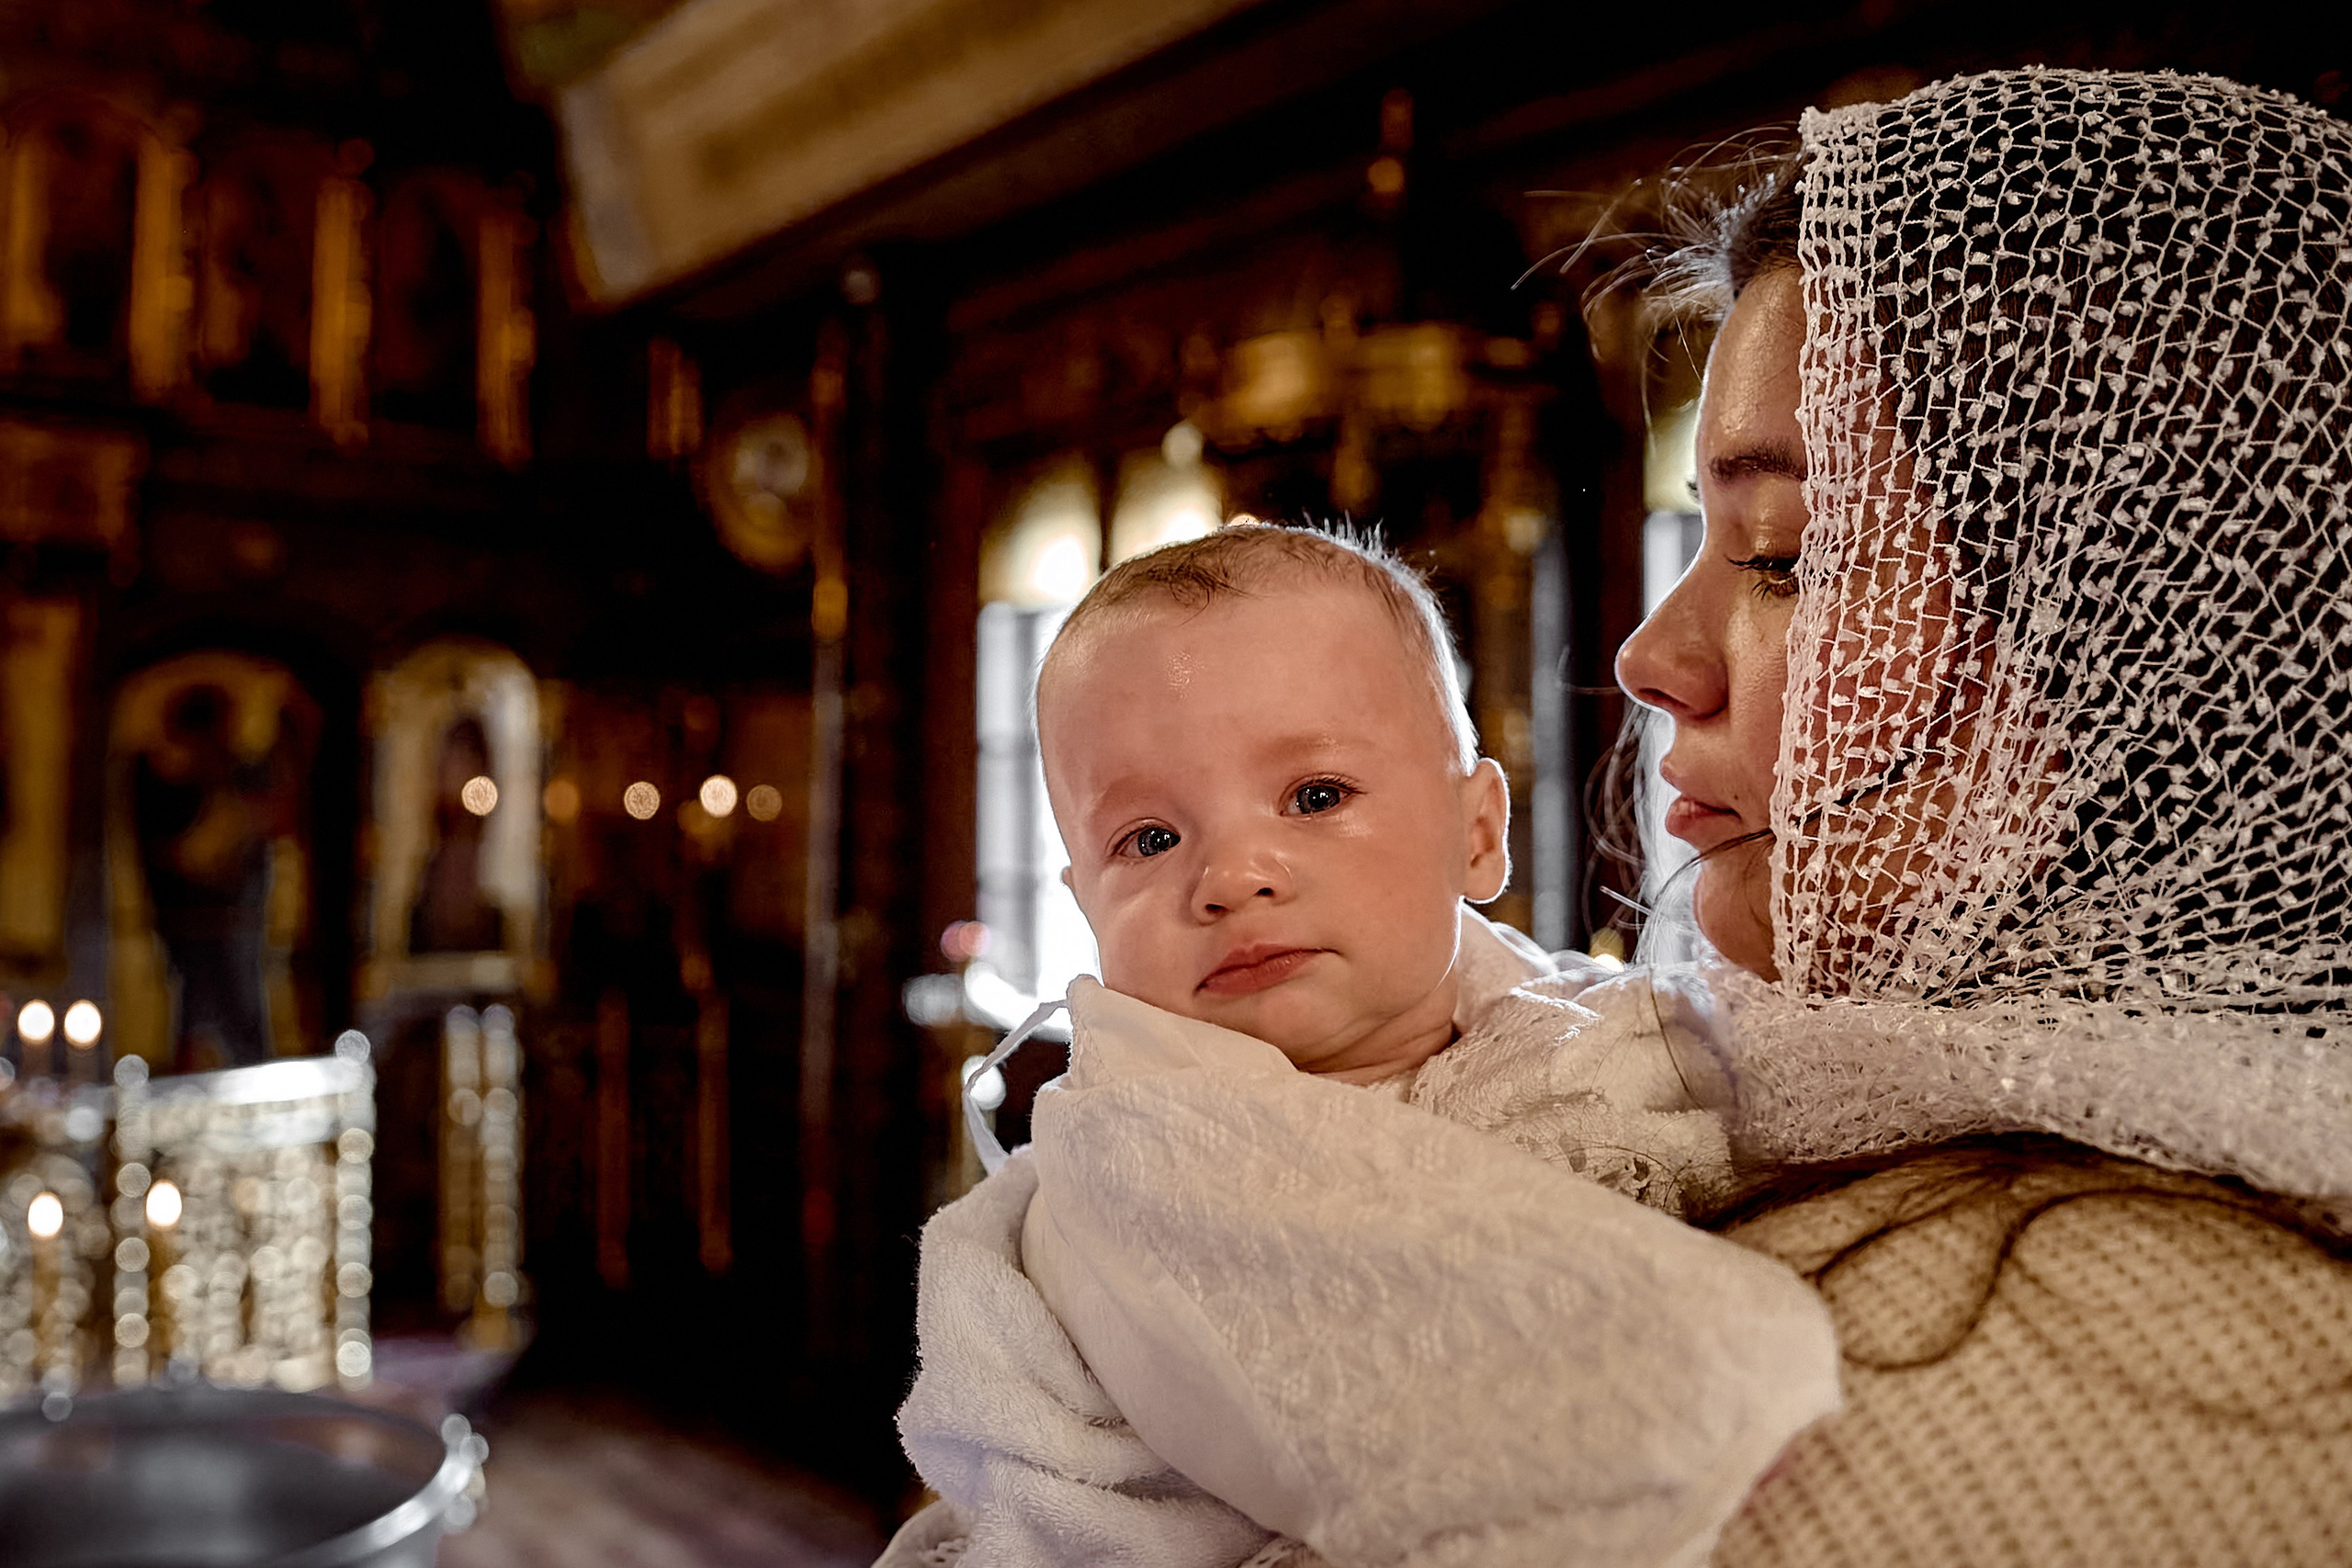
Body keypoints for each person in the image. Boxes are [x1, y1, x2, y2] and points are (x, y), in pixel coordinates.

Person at [888, 65, 2352, 1568]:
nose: (1651, 656)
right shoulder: (1790, 1101)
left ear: (2167, 641)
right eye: (1147, 836)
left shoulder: (2060, 1379)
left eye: (1782, 551)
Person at [888, 525, 1838, 1566]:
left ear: (1477, 835)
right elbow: (1372, 1396)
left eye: (1315, 797)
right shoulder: (1140, 1155)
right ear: (1085, 907)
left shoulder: (1597, 1025)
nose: (1231, 876)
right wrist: (1712, 1392)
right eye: (1149, 839)